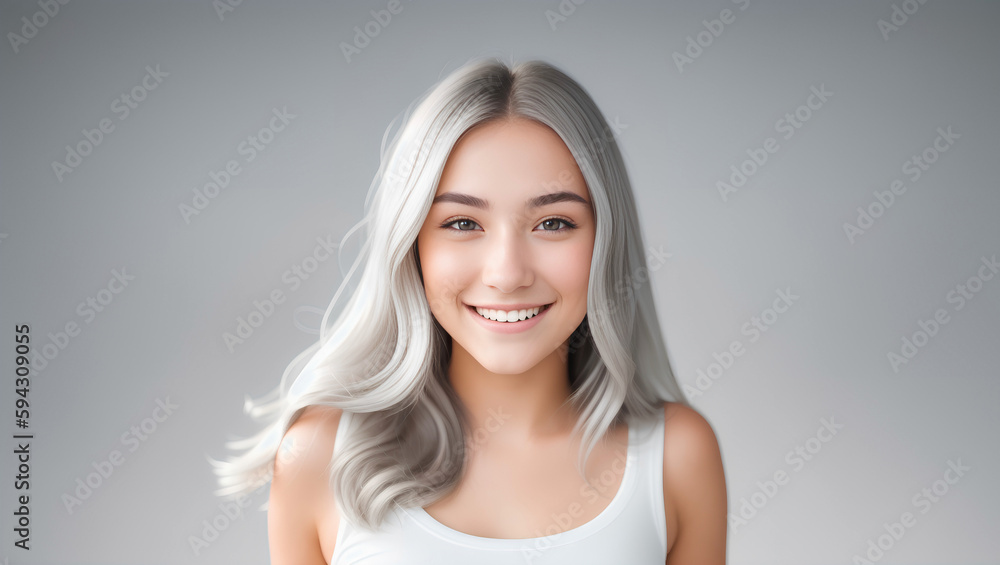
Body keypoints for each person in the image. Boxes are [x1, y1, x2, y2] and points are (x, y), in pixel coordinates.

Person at [213, 57, 727, 564]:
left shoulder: (678, 456)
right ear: (411, 244)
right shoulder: (317, 457)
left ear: (606, 241)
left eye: (553, 223)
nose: (507, 273)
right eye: (462, 224)